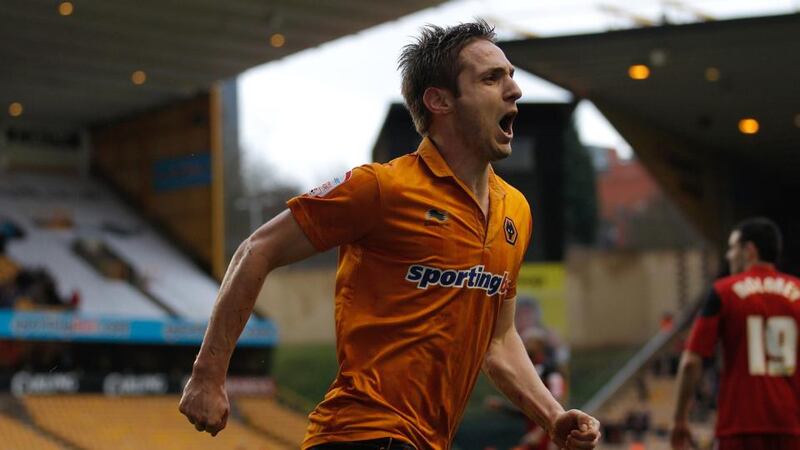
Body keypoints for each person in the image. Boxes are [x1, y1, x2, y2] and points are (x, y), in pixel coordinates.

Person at [179, 20, 601, 450]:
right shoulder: (382, 188)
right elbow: (257, 249)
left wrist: (553, 415)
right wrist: (208, 375)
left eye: (511, 76)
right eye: (492, 78)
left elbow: (499, 339)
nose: (514, 90)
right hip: (361, 435)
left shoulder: (516, 210)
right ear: (439, 101)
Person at [671, 217, 800, 450]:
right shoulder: (798, 292)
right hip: (792, 427)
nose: (729, 256)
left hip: (739, 427)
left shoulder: (724, 292)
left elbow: (691, 362)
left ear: (749, 250)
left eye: (732, 248)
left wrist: (680, 419)